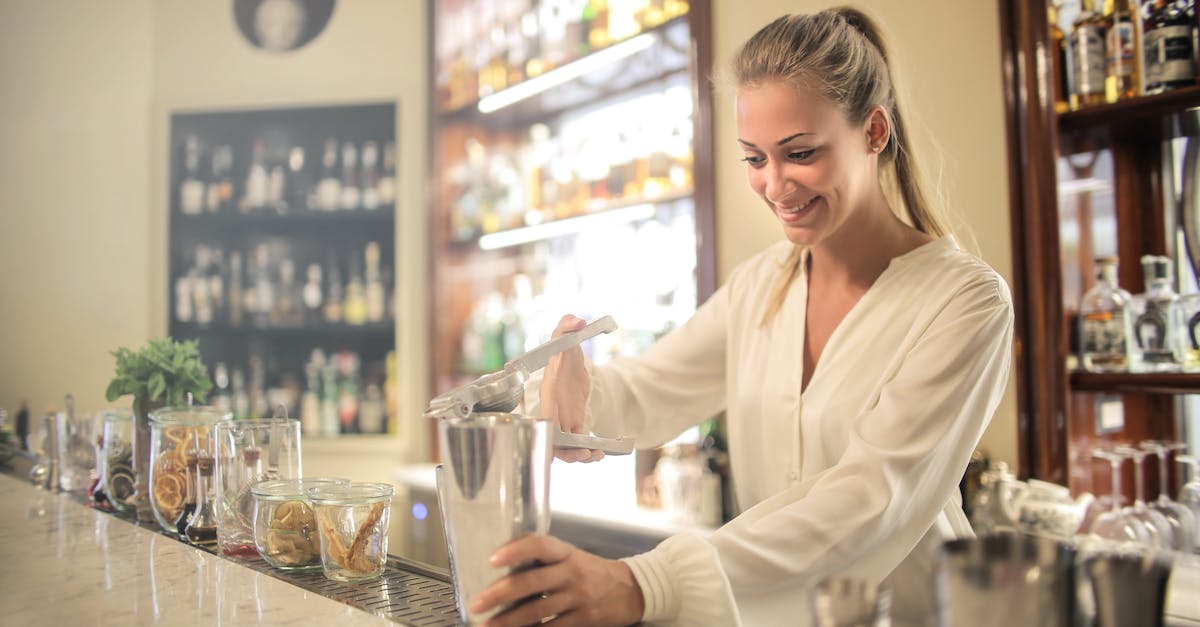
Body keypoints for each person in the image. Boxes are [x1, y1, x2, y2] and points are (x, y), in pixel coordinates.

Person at [470, 6, 1014, 626]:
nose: (775, 186)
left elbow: (871, 497)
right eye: (755, 159)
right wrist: (573, 393)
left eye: (800, 153)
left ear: (874, 131)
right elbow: (651, 388)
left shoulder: (964, 301)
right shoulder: (760, 286)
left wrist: (647, 582)